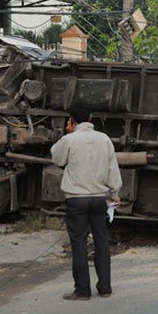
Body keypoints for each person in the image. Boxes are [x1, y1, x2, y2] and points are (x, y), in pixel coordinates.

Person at [51, 105, 122, 301]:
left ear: (71, 121)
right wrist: (115, 193)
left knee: (79, 243)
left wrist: (66, 134)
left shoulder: (69, 140)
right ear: (91, 118)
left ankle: (82, 290)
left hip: (77, 200)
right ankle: (105, 287)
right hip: (99, 199)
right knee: (101, 242)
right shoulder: (104, 139)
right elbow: (112, 168)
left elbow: (57, 159)